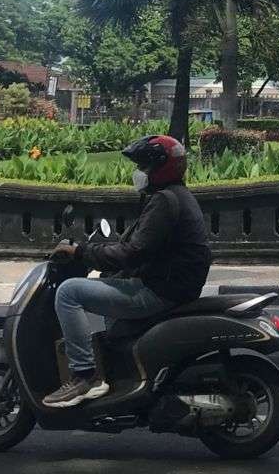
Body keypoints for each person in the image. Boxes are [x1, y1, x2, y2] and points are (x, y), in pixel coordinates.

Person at [42, 134, 212, 409]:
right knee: (111, 284)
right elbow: (138, 246)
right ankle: (122, 374)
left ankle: (85, 376)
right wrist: (100, 252)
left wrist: (82, 253)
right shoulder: (174, 196)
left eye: (143, 167)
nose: (139, 173)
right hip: (172, 286)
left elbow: (131, 253)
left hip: (158, 291)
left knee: (69, 292)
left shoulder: (164, 202)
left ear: (159, 168)